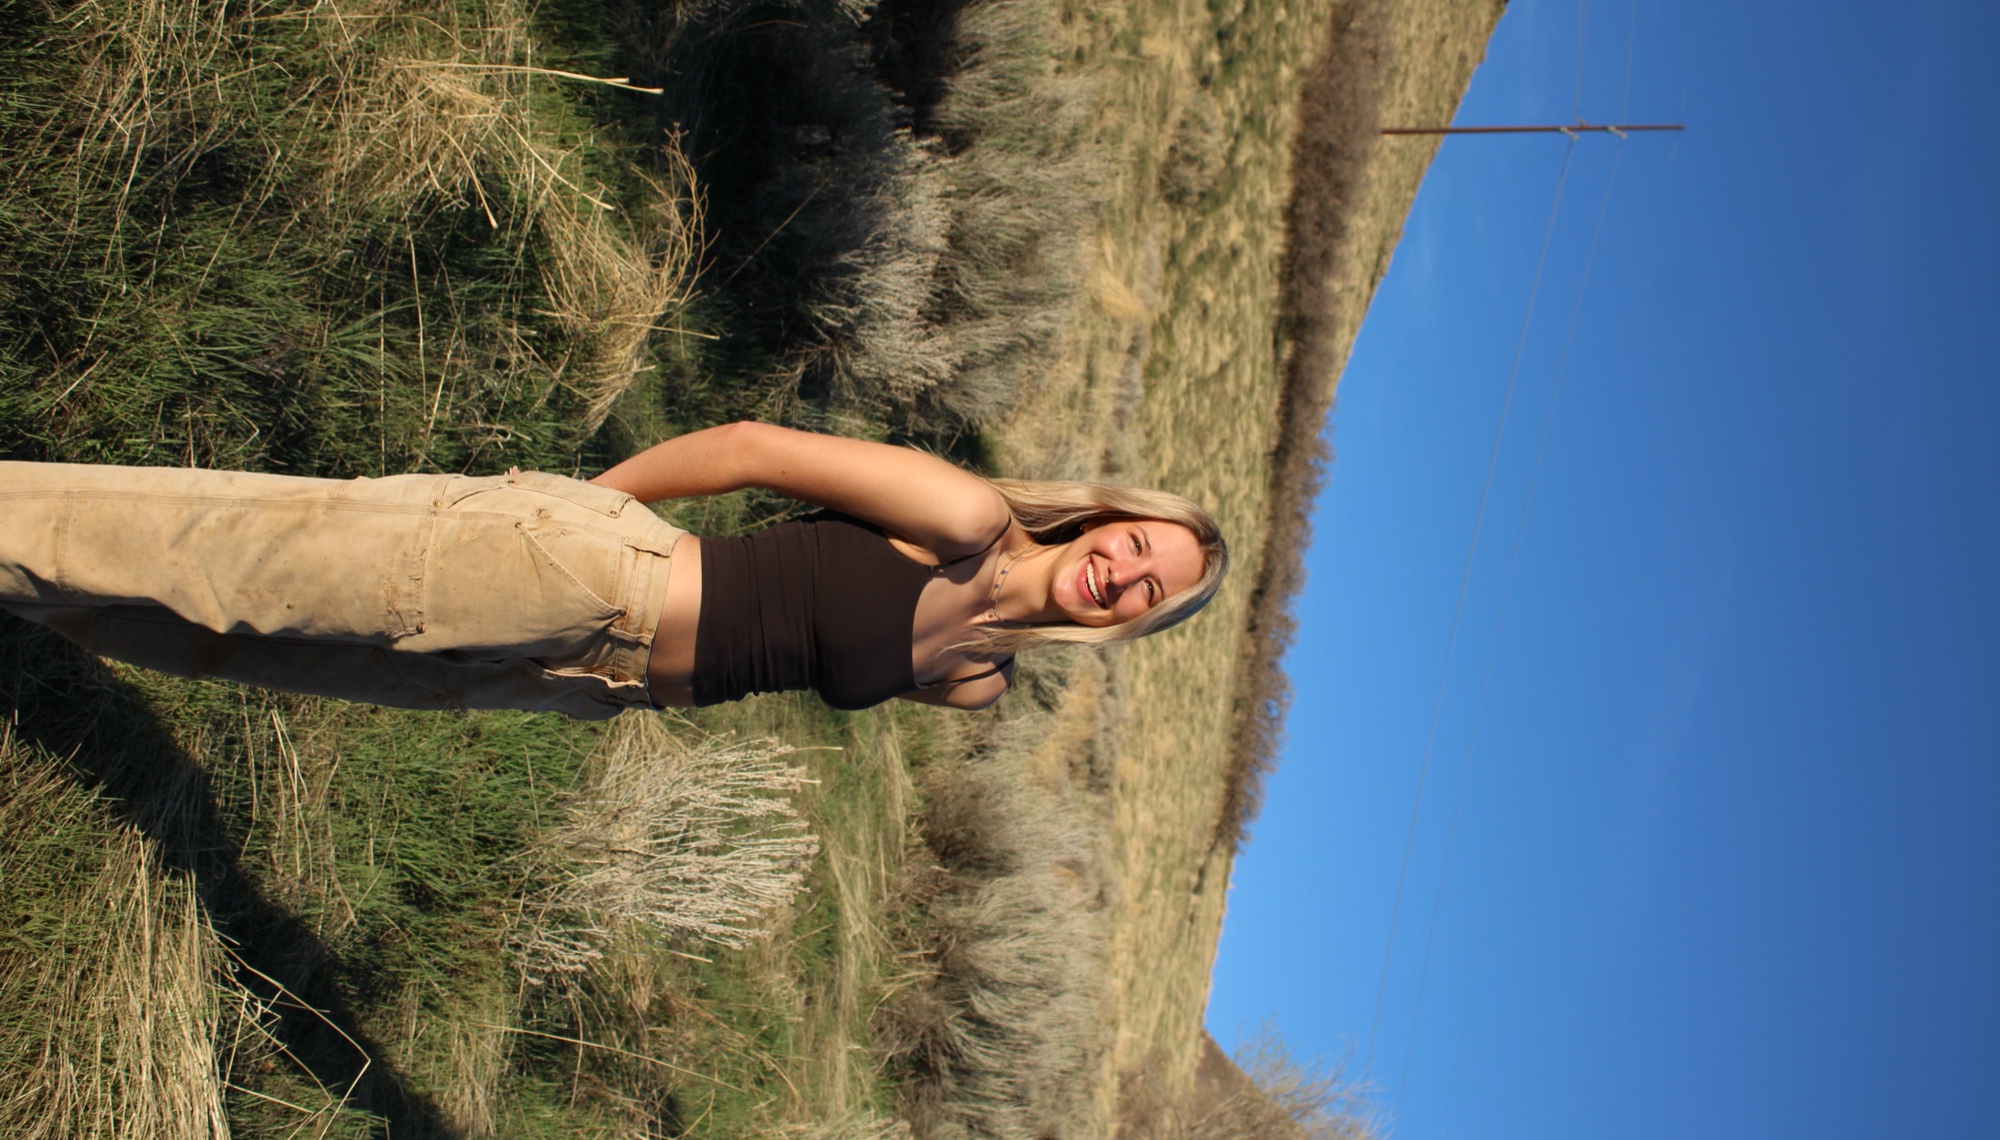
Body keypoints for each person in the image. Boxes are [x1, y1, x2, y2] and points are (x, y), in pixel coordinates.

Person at [0, 422, 1227, 717]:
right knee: (224, 557)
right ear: (1103, 520)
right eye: (1134, 544)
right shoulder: (965, 518)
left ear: (1140, 624)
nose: (1122, 574)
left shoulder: (976, 677)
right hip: (593, 577)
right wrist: (582, 507)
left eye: (1150, 591)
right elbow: (751, 449)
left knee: (221, 644)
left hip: (585, 683)